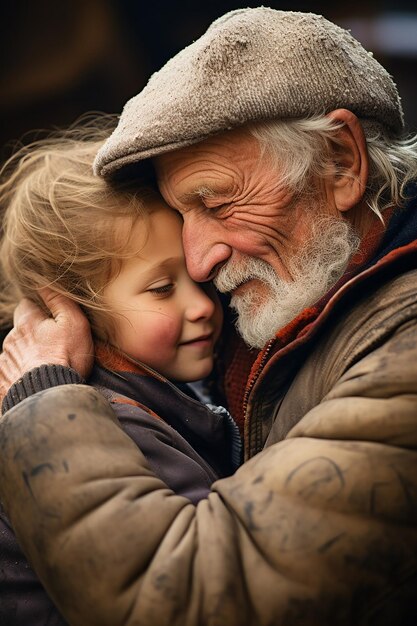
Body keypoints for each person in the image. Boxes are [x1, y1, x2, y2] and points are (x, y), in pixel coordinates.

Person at [0, 7, 417, 625]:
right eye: (183, 215)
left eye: (217, 202)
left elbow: (192, 598)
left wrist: (45, 404)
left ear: (340, 160)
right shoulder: (301, 295)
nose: (200, 260)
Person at [0, 123, 241, 625]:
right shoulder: (119, 423)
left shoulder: (166, 383)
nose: (202, 304)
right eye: (161, 288)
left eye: (198, 279)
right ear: (73, 312)